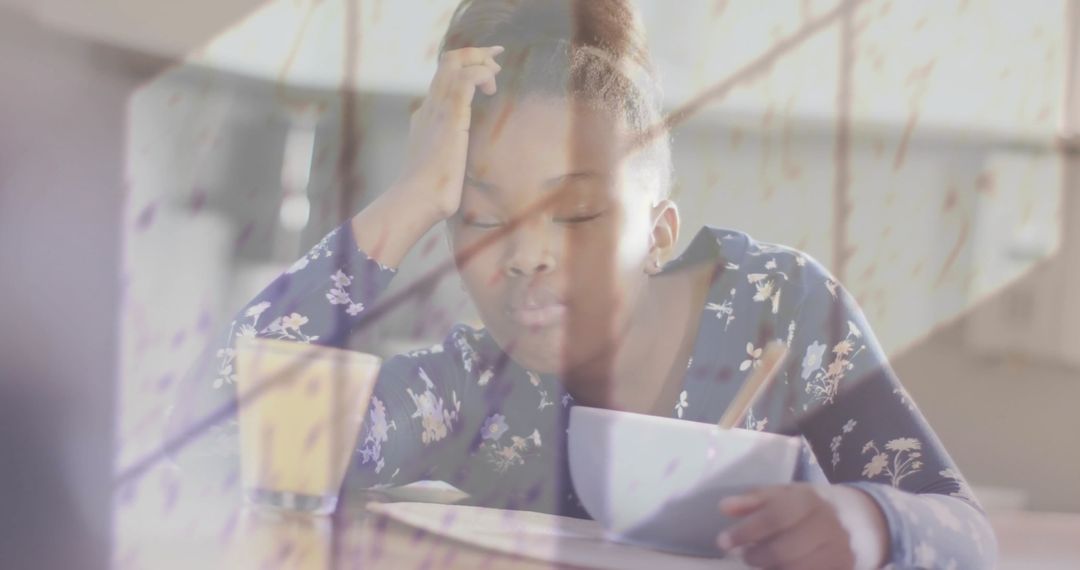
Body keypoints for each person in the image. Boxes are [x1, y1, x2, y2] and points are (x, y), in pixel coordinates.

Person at [168, 1, 996, 568]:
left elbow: (963, 529)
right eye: (481, 219)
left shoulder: (779, 310)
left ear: (659, 234)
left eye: (576, 215)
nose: (526, 255)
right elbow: (224, 426)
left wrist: (869, 525)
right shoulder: (474, 397)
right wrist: (412, 198)